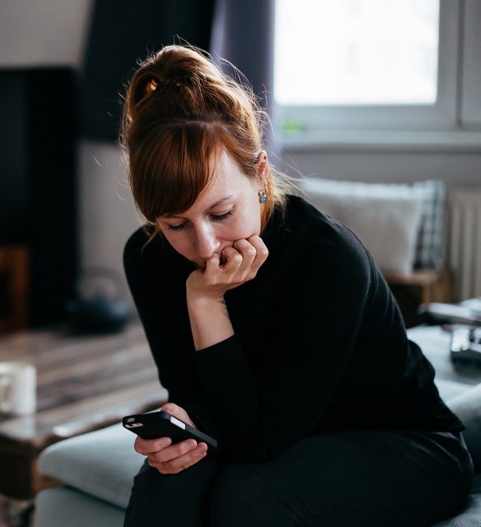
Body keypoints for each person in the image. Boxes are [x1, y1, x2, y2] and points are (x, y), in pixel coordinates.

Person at [120, 44, 473, 527]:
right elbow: (197, 395)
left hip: (403, 445)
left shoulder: (327, 260)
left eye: (221, 213)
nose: (203, 245)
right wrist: (177, 432)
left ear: (260, 174)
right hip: (281, 435)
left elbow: (255, 443)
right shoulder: (148, 258)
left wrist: (205, 302)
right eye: (175, 223)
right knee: (169, 483)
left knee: (247, 497)